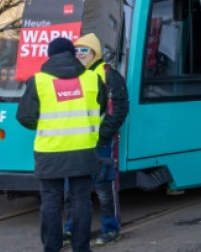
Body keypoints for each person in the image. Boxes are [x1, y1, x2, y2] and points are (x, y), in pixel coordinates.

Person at [16, 37, 106, 252]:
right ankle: (81, 248)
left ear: (50, 55)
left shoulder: (38, 81)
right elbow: (102, 108)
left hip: (50, 151)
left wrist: (46, 125)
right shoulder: (92, 79)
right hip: (83, 149)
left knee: (50, 201)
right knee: (81, 201)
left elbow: (24, 117)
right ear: (72, 54)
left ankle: (51, 247)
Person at [65, 33, 129, 246]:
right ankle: (71, 227)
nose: (80, 53)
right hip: (76, 141)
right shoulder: (73, 74)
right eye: (77, 50)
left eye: (85, 49)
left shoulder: (109, 75)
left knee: (103, 186)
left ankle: (111, 228)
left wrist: (102, 136)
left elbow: (119, 109)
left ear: (95, 52)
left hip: (100, 142)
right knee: (73, 187)